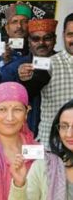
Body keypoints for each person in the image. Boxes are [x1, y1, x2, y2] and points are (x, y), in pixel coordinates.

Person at [0, 19, 57, 137]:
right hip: (24, 135)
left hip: (60, 134)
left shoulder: (65, 65)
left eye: (47, 38)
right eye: (35, 39)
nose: (41, 43)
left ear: (55, 40)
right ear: (29, 41)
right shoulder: (15, 67)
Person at [37, 13, 73, 147]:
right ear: (63, 35)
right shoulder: (49, 64)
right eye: (71, 34)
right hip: (53, 146)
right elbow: (30, 85)